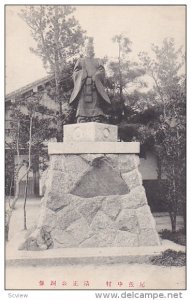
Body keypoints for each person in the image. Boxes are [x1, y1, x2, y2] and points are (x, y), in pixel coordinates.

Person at [69, 37, 111, 123]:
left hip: (94, 86)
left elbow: (102, 71)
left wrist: (96, 75)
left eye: (91, 48)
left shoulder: (98, 60)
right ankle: (82, 116)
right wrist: (83, 73)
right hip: (83, 86)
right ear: (85, 49)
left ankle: (96, 116)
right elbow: (75, 73)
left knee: (96, 102)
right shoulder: (80, 61)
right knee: (82, 102)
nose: (90, 50)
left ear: (93, 49)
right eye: (88, 48)